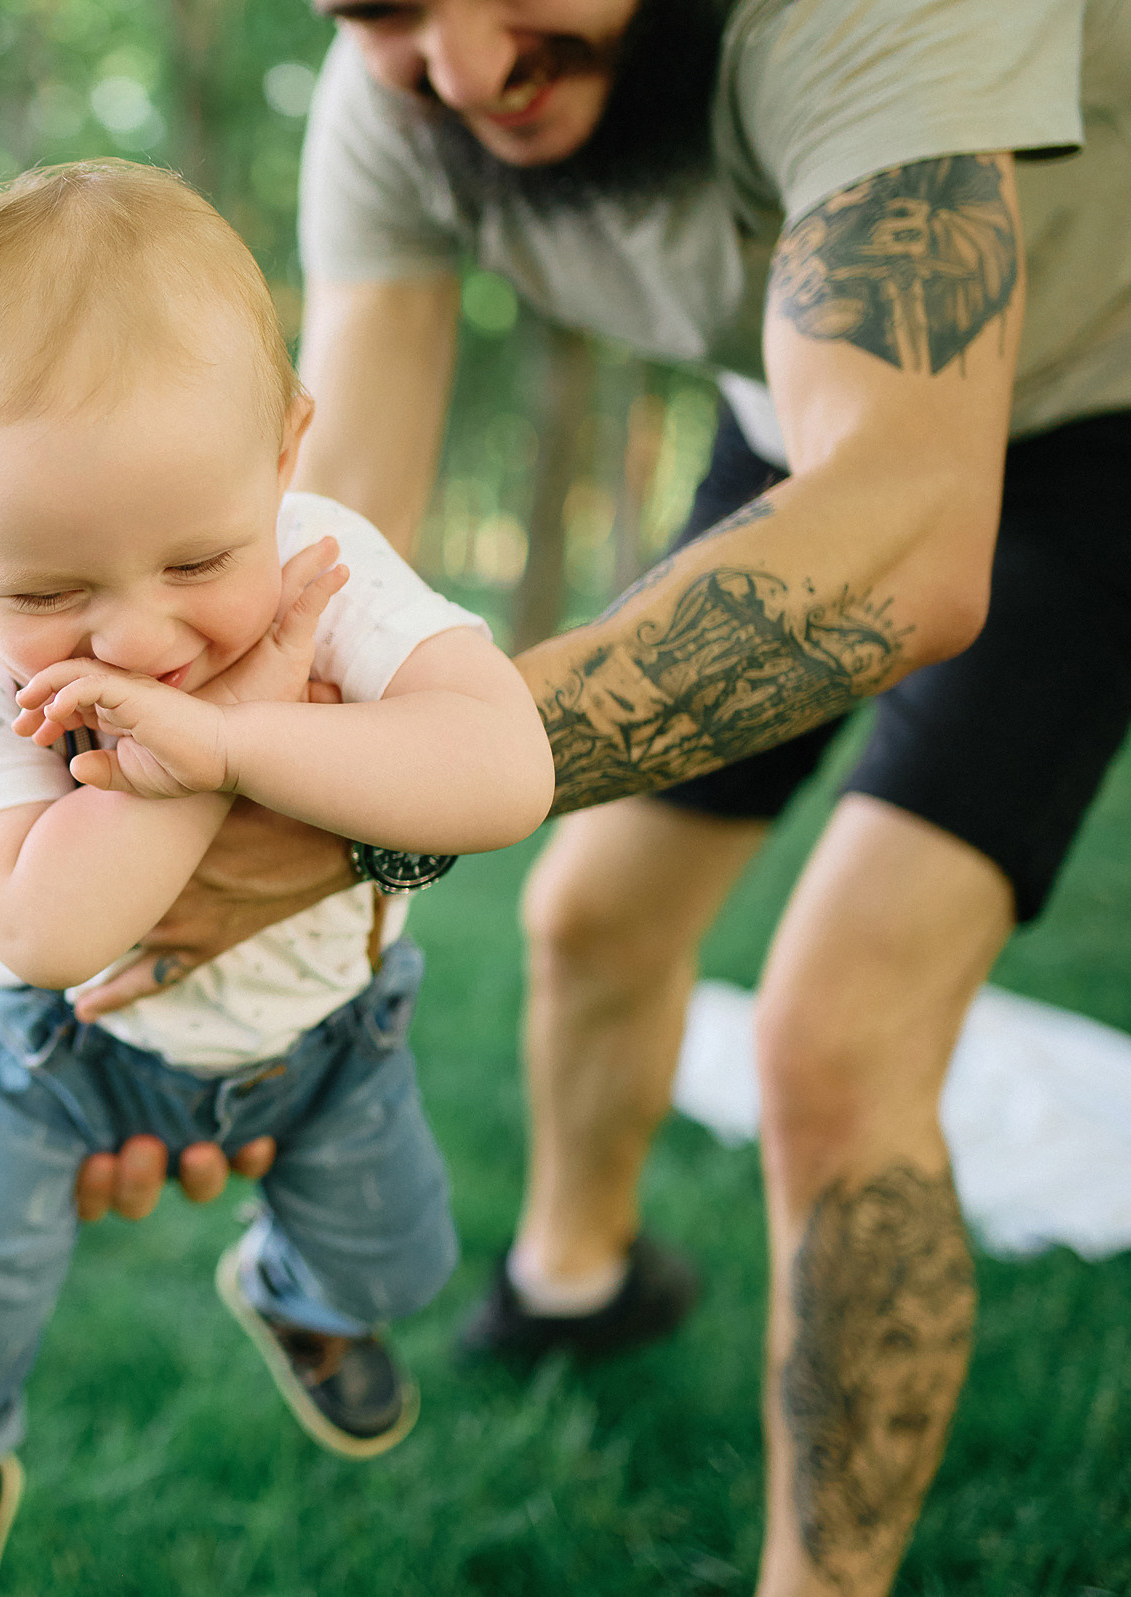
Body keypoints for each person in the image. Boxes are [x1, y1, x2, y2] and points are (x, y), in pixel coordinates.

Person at [60, 3, 1131, 1594]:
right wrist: (169, 925)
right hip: (788, 430)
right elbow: (331, 544)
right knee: (592, 915)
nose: (473, 69)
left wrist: (395, 797)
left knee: (835, 1031)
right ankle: (581, 1285)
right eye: (387, 12)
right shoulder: (392, 112)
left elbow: (907, 522)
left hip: (1078, 436)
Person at [0, 158, 553, 1595]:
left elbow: (505, 774)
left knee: (400, 1263)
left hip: (330, 1039)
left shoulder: (329, 568)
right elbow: (47, 927)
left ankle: (298, 1294)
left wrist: (232, 730)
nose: (135, 638)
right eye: (46, 590)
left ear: (287, 448)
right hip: (62, 1061)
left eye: (199, 556)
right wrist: (212, 751)